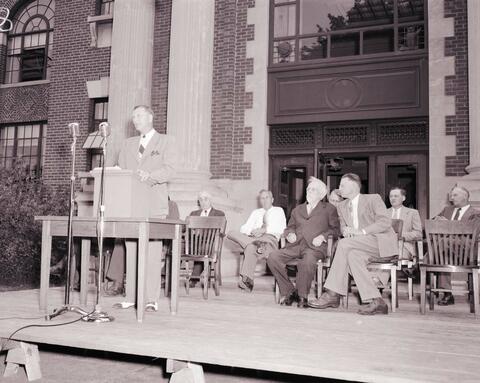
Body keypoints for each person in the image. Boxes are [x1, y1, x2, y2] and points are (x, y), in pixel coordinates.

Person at [105, 105, 176, 312]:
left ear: (150, 117)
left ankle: (151, 298)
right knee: (132, 249)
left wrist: (151, 176)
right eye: (133, 116)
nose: (134, 119)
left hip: (154, 204)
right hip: (131, 206)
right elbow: (122, 171)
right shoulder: (128, 144)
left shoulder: (166, 141)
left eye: (139, 115)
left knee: (153, 251)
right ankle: (131, 296)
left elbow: (171, 170)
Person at [309, 173, 397, 315]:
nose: (339, 188)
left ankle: (332, 293)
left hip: (380, 243)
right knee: (352, 256)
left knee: (344, 245)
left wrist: (360, 232)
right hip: (359, 246)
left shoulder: (373, 198)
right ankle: (377, 301)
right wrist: (346, 231)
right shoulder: (342, 206)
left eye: (342, 185)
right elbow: (342, 227)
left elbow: (385, 222)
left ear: (353, 185)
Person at [267, 177, 340, 308]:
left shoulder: (329, 209)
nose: (309, 192)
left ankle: (302, 296)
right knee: (273, 257)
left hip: (314, 248)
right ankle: (289, 291)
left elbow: (335, 230)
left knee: (307, 261)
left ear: (321, 194)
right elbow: (289, 227)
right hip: (296, 246)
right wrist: (289, 234)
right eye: (308, 189)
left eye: (313, 190)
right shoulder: (297, 210)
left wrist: (323, 237)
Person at [227, 189, 286, 291]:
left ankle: (247, 280)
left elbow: (282, 229)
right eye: (262, 198)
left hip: (269, 240)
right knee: (231, 233)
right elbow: (243, 229)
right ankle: (257, 244)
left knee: (250, 247)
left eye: (267, 197)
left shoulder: (278, 210)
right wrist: (252, 231)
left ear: (272, 199)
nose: (264, 200)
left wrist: (264, 230)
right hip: (254, 238)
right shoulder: (256, 212)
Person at [433, 186, 479, 306]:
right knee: (443, 255)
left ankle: (422, 264)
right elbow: (432, 223)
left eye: (455, 195)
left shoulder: (476, 213)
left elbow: (473, 232)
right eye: (451, 195)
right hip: (446, 250)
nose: (451, 198)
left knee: (442, 244)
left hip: (465, 251)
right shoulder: (446, 210)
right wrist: (437, 220)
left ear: (465, 196)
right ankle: (448, 294)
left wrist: (448, 224)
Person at [188, 191, 225, 286]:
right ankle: (168, 278)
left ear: (210, 201)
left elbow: (221, 231)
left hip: (211, 243)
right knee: (176, 247)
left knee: (204, 248)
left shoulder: (219, 214)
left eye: (206, 199)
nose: (203, 202)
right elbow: (186, 227)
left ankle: (194, 277)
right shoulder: (194, 213)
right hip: (194, 242)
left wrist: (202, 232)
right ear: (198, 202)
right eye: (201, 200)